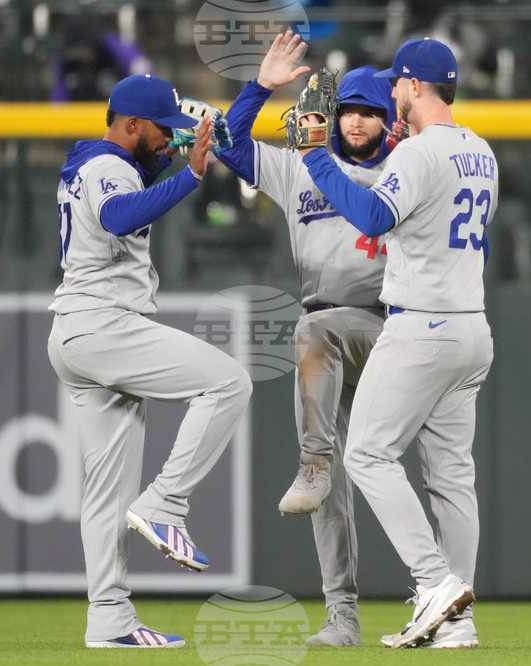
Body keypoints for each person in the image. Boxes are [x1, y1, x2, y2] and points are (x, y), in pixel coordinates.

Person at [296, 38, 496, 648]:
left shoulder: (417, 154)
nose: (391, 93)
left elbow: (373, 217)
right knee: (452, 477)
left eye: (397, 84)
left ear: (413, 85)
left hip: (422, 325)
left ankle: (434, 582)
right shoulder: (479, 149)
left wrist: (315, 155)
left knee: (365, 455)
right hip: (472, 327)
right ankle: (455, 623)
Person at [47, 74, 254, 649]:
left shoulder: (99, 161)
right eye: (164, 130)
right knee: (229, 384)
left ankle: (108, 620)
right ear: (131, 123)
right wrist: (189, 175)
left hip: (75, 333)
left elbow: (142, 182)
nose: (172, 139)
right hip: (104, 326)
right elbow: (119, 215)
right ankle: (166, 503)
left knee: (108, 493)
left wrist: (251, 94)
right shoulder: (110, 167)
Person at [215, 30, 399, 647]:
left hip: (391, 327)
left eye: (370, 113)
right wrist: (261, 86)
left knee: (444, 472)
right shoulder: (300, 165)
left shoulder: (407, 168)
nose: (355, 122)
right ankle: (342, 617)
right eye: (348, 110)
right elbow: (229, 144)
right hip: (328, 330)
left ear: (388, 120)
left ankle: (446, 597)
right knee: (333, 490)